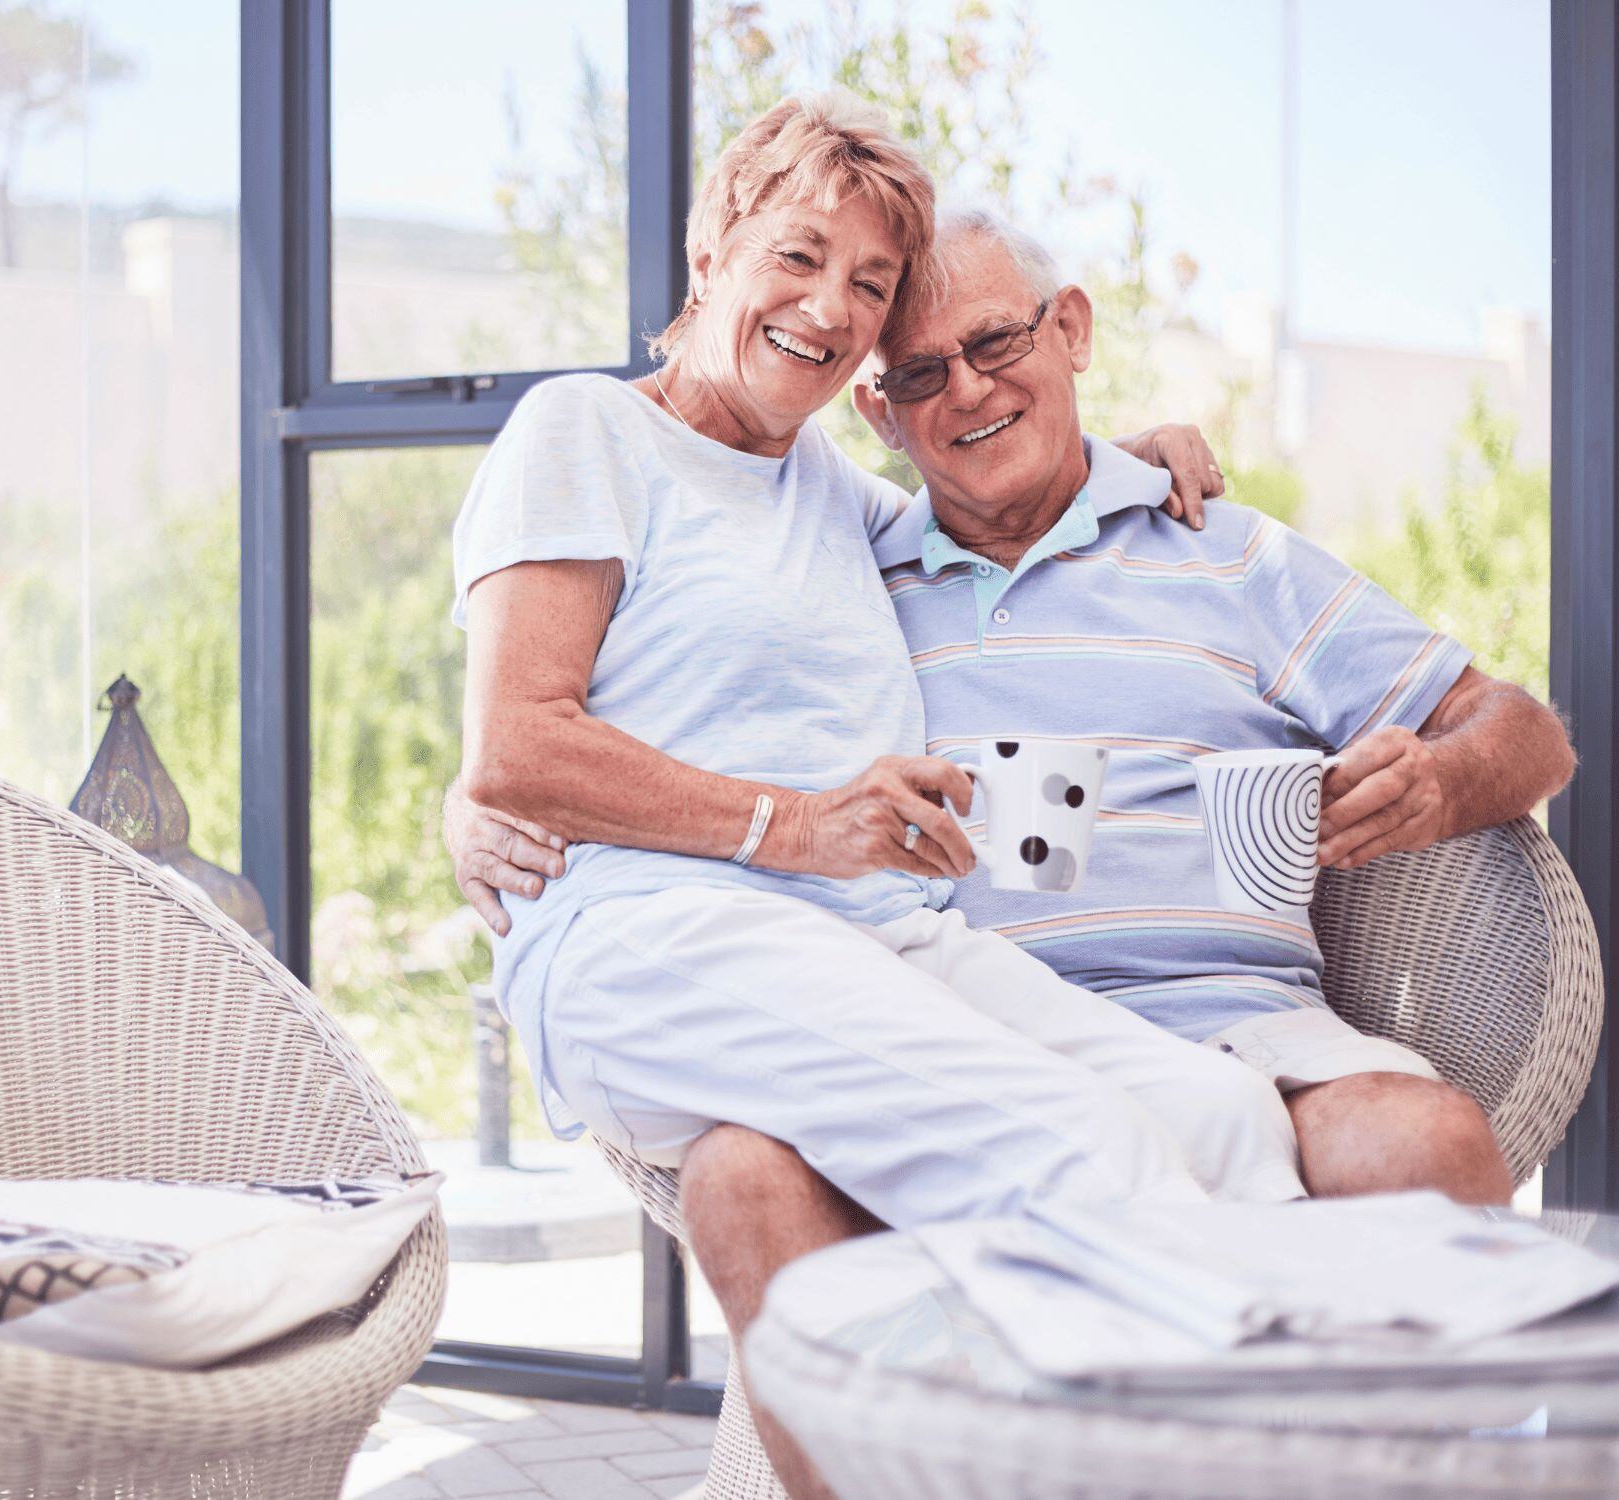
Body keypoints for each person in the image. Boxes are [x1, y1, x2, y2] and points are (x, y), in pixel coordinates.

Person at [451, 205, 1575, 1495]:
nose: (966, 392)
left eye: (994, 344)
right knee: (742, 1173)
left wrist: (1436, 782)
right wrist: (475, 789)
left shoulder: (1223, 549)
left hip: (1228, 1020)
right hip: (922, 1006)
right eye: (918, 374)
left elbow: (1521, 732)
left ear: (1072, 329)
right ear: (875, 413)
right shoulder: (841, 560)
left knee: (1416, 1146)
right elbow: (599, 675)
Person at [455, 89, 1303, 1246]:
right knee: (1078, 1142)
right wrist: (788, 828)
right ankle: (1102, 1418)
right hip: (658, 941)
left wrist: (1122, 463)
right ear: (710, 251)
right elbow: (515, 743)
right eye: (798, 256)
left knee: (1221, 1119)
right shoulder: (586, 432)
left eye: (868, 284)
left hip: (878, 934)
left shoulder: (832, 492)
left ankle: (1279, 1412)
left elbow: (997, 497)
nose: (829, 307)